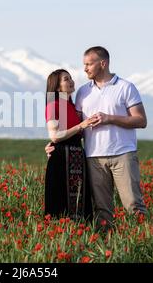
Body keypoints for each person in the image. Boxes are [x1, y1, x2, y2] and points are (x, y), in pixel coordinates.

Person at [45, 47, 148, 231]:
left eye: (88, 64)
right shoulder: (83, 92)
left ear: (103, 63)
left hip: (123, 154)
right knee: (102, 210)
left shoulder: (126, 87)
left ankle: (148, 247)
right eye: (84, 64)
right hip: (93, 158)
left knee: (134, 205)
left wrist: (109, 118)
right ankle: (107, 251)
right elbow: (75, 127)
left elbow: (141, 120)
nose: (84, 68)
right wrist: (55, 144)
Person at [44, 69, 97, 221]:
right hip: (62, 159)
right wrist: (82, 125)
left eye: (71, 78)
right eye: (66, 79)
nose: (71, 81)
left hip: (76, 157)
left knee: (80, 200)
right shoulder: (53, 105)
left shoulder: (71, 106)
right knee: (61, 202)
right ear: (57, 87)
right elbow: (54, 135)